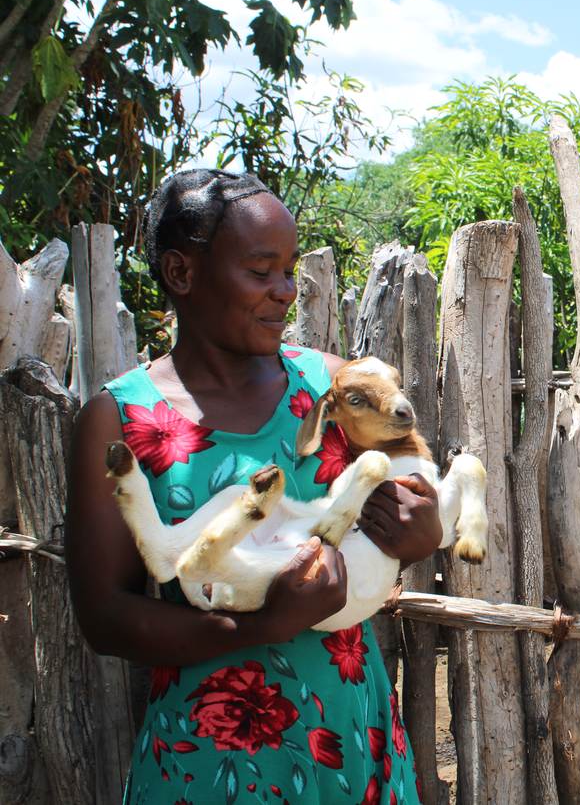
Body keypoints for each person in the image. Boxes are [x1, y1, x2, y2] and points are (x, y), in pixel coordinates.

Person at [65, 169, 441, 804]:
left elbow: (408, 480)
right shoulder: (122, 419)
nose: (284, 292)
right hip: (210, 760)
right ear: (182, 273)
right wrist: (262, 627)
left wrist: (421, 530)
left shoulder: (327, 387)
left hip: (350, 738)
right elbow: (106, 617)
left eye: (290, 270)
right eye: (261, 270)